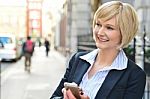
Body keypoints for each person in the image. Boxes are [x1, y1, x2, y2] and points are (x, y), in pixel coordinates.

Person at [50, 1, 146, 99]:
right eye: (98, 24)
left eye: (109, 27)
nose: (100, 32)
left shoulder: (135, 75)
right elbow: (54, 97)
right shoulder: (77, 60)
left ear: (124, 32)